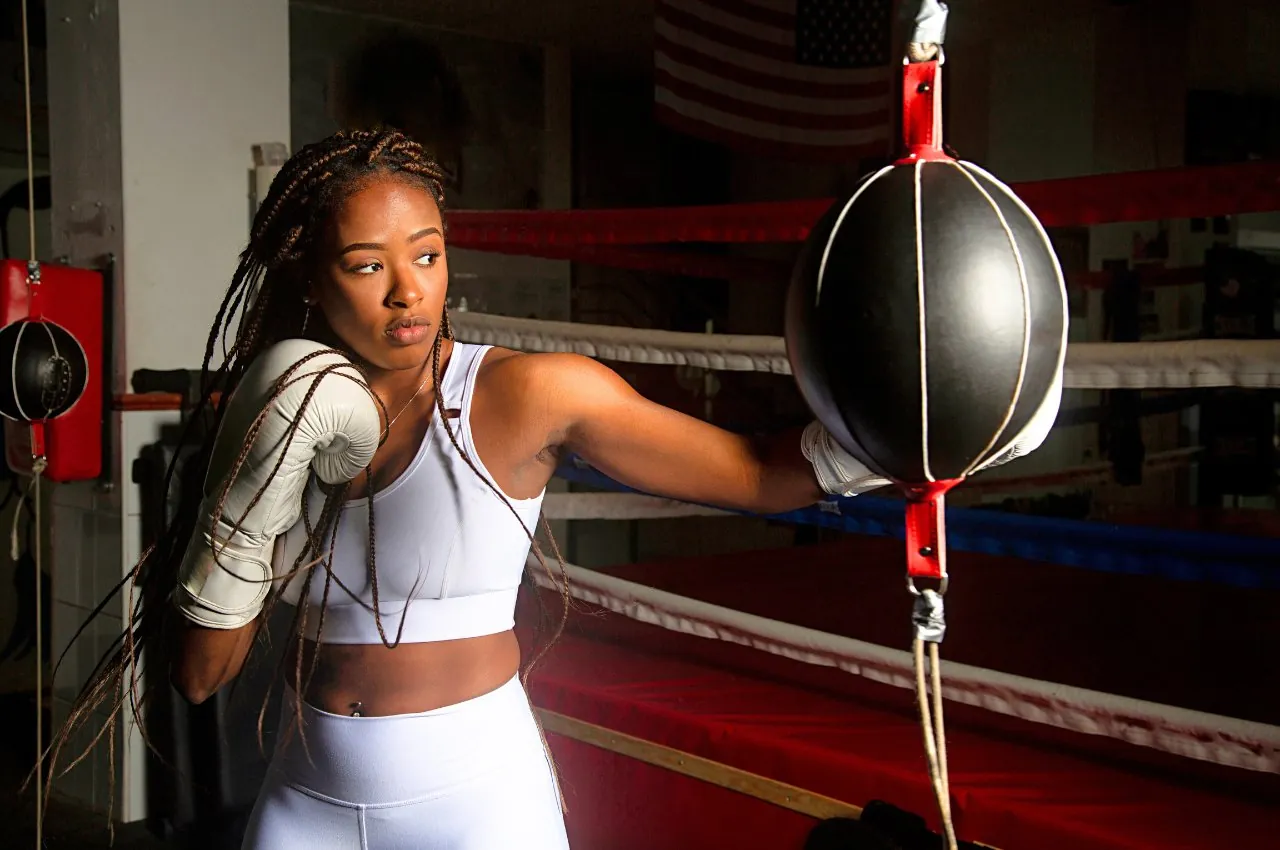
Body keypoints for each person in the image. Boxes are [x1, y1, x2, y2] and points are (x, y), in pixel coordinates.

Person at [48, 129, 1058, 849]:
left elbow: (756, 473)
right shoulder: (282, 413)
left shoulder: (524, 395)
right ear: (313, 279)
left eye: (428, 255)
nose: (408, 290)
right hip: (305, 803)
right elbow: (195, 675)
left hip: (474, 806)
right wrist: (257, 485)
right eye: (366, 265)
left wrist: (920, 427)